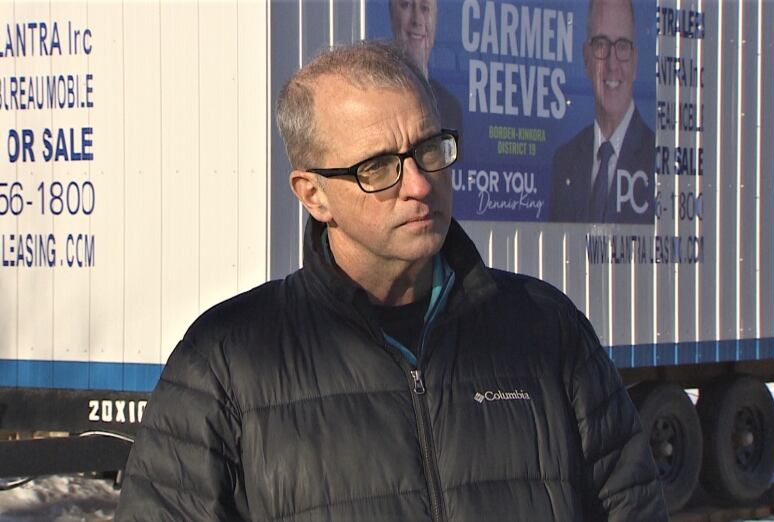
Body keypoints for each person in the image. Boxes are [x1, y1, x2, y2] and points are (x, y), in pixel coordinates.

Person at [116, 41, 667, 521]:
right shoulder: (226, 363)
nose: (420, 186)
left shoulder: (546, 328)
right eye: (378, 167)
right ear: (314, 194)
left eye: (429, 150)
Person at [550, 0, 655, 224]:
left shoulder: (656, 161)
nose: (612, 63)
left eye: (623, 46)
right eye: (601, 45)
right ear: (586, 57)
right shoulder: (564, 161)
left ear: (635, 62)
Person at [389, 0, 462, 133]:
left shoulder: (451, 108)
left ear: (435, 20)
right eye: (406, 5)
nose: (416, 20)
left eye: (425, 8)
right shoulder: (377, 98)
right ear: (392, 15)